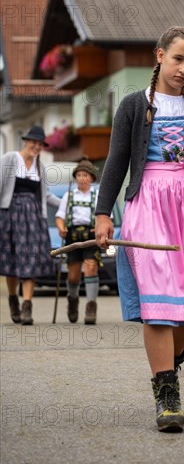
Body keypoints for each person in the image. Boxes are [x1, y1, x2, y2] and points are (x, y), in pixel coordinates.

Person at [95, 26, 184, 433]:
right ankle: (167, 391)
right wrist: (104, 214)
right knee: (160, 300)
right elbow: (116, 161)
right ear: (159, 55)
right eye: (178, 59)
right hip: (150, 204)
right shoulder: (133, 105)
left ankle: (167, 364)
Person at [0, 125, 61, 325]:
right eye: (33, 142)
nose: (36, 147)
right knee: (12, 263)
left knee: (30, 260)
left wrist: (66, 205)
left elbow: (46, 195)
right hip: (10, 216)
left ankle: (27, 306)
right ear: (26, 141)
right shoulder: (9, 159)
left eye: (40, 144)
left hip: (33, 219)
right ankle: (12, 299)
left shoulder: (40, 167)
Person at [55, 158, 101, 325]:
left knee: (91, 268)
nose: (82, 178)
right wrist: (61, 228)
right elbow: (59, 216)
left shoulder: (97, 195)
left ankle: (91, 306)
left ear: (91, 178)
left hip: (90, 238)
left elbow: (105, 216)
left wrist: (99, 228)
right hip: (73, 238)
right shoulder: (69, 194)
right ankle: (73, 300)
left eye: (85, 175)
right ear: (76, 177)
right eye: (79, 175)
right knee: (73, 276)